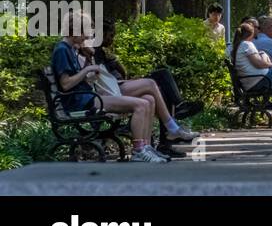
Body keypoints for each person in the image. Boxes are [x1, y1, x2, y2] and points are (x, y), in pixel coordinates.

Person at [51, 12, 186, 162]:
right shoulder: (62, 50)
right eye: (84, 32)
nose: (86, 36)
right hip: (81, 102)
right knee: (141, 105)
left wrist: (89, 61)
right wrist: (87, 70)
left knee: (148, 99)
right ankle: (138, 150)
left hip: (88, 97)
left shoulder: (70, 49)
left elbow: (80, 78)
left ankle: (148, 148)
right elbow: (66, 84)